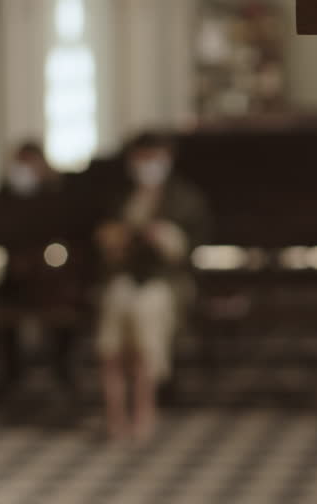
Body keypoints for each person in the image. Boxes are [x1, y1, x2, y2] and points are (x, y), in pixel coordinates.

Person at [93, 132, 209, 441]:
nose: (148, 166)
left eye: (154, 158)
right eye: (142, 158)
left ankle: (145, 410)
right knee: (115, 315)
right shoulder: (120, 196)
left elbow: (191, 246)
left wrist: (166, 238)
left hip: (163, 280)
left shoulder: (183, 197)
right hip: (122, 278)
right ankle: (115, 414)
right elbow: (103, 237)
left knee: (147, 315)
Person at [0, 140, 69, 388]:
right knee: (2, 299)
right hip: (16, 276)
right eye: (19, 163)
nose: (23, 169)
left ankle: (61, 366)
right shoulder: (6, 194)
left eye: (29, 163)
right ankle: (9, 373)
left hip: (54, 276)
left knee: (61, 302)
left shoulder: (56, 193)